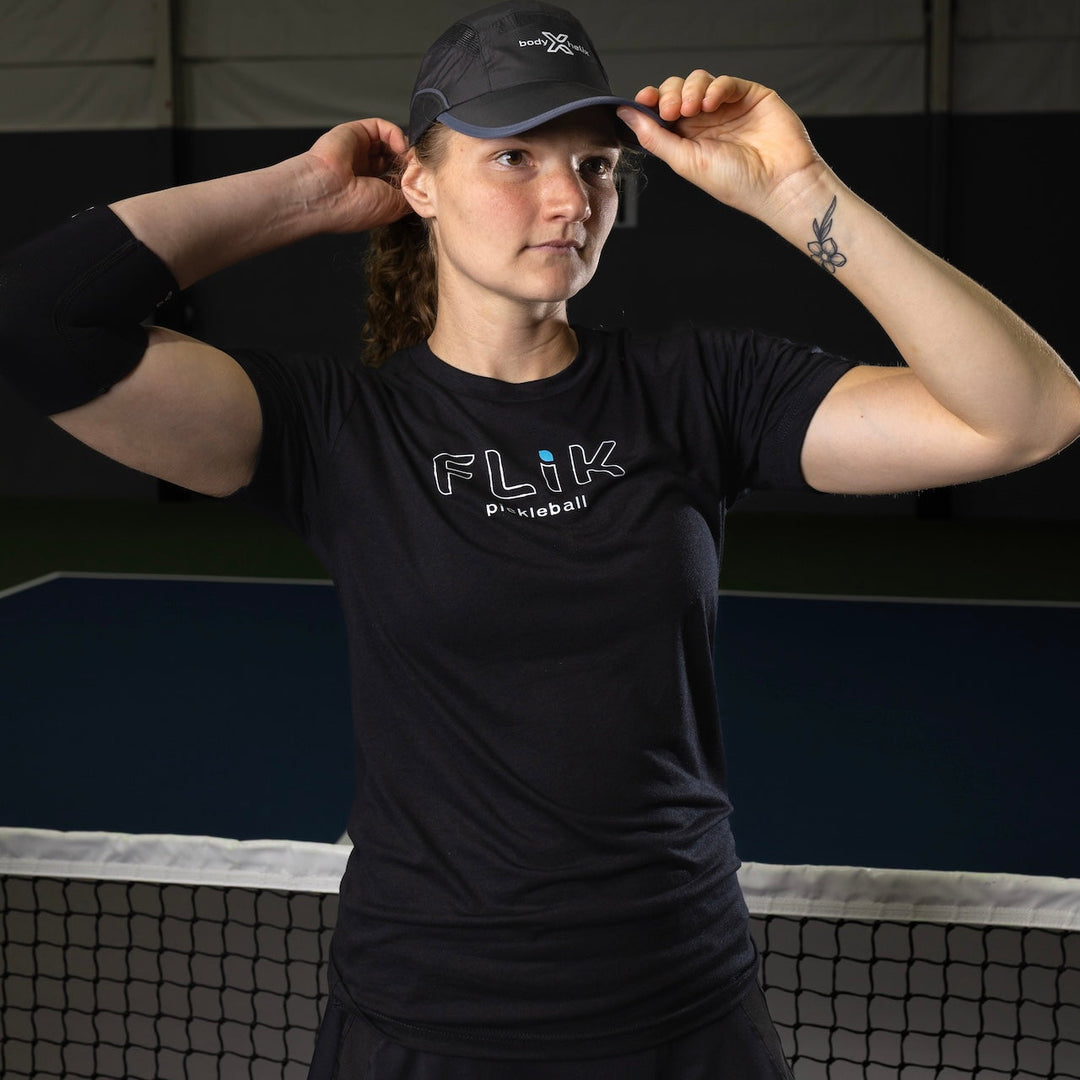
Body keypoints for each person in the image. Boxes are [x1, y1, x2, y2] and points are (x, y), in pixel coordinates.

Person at [1, 2, 1078, 1077]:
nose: (570, 199)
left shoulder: (701, 392)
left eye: (597, 165)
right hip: (427, 1020)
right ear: (421, 183)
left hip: (683, 1007)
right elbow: (35, 320)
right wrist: (304, 194)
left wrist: (799, 194)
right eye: (514, 156)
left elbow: (1028, 415)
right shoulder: (337, 431)